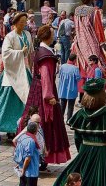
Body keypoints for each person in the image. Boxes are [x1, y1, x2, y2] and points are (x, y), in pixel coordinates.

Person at [20, 25, 71, 164]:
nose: (54, 36)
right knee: (46, 124)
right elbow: (46, 77)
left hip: (36, 89)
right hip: (43, 91)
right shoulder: (46, 55)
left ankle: (38, 157)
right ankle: (42, 157)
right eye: (53, 34)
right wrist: (49, 96)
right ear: (48, 37)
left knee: (35, 121)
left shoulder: (40, 51)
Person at [71, 0, 106, 91]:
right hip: (91, 42)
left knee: (81, 65)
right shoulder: (94, 11)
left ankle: (81, 93)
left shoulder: (76, 10)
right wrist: (103, 43)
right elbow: (98, 29)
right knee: (97, 65)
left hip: (79, 42)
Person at [14, 122, 41, 186]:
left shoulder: (22, 138)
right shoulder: (31, 141)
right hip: (30, 170)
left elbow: (17, 152)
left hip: (22, 168)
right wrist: (24, 169)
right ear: (35, 130)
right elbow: (28, 157)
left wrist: (19, 165)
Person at [59, 54, 81, 122]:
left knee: (62, 106)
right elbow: (78, 78)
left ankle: (60, 120)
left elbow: (59, 76)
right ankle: (69, 120)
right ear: (74, 60)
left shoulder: (62, 66)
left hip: (63, 90)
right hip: (72, 90)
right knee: (70, 107)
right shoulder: (75, 68)